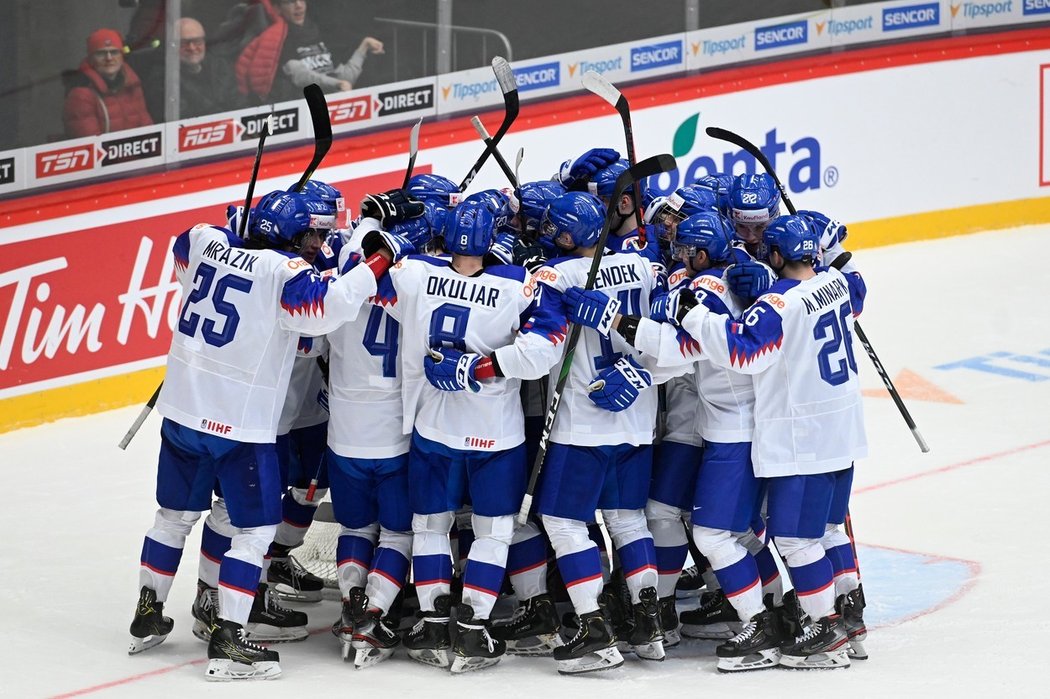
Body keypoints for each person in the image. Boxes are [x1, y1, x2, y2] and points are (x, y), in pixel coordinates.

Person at [127, 189, 412, 680]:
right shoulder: (285, 275)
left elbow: (183, 246)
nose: (317, 242)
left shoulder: (204, 240)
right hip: (238, 427)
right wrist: (380, 259)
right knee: (255, 530)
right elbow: (331, 306)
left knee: (172, 516)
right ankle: (229, 639)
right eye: (313, 235)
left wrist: (239, 235)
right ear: (294, 236)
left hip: (182, 412)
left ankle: (147, 613)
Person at [565, 213, 867, 670]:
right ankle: (835, 617)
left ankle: (772, 624)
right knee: (795, 533)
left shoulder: (766, 300)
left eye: (685, 250)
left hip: (764, 432)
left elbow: (724, 350)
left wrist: (621, 320)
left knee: (744, 535)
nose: (676, 255)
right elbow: (855, 285)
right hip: (831, 430)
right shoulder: (831, 283)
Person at [236, 0, 385, 103]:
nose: (299, 6)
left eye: (302, 0)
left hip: (335, 109)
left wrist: (363, 48)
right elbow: (300, 76)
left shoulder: (319, 34)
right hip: (305, 115)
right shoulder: (278, 39)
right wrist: (337, 83)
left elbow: (346, 78)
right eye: (291, 2)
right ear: (277, 8)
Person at [146, 17, 244, 121]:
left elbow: (239, 102)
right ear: (172, 45)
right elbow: (182, 116)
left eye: (197, 41)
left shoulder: (219, 66)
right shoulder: (162, 78)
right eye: (184, 43)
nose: (192, 48)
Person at [63, 28, 153, 138]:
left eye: (114, 52)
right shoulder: (81, 95)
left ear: (122, 56)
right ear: (91, 59)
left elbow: (148, 131)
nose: (109, 58)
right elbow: (91, 144)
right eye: (101, 53)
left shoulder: (133, 85)